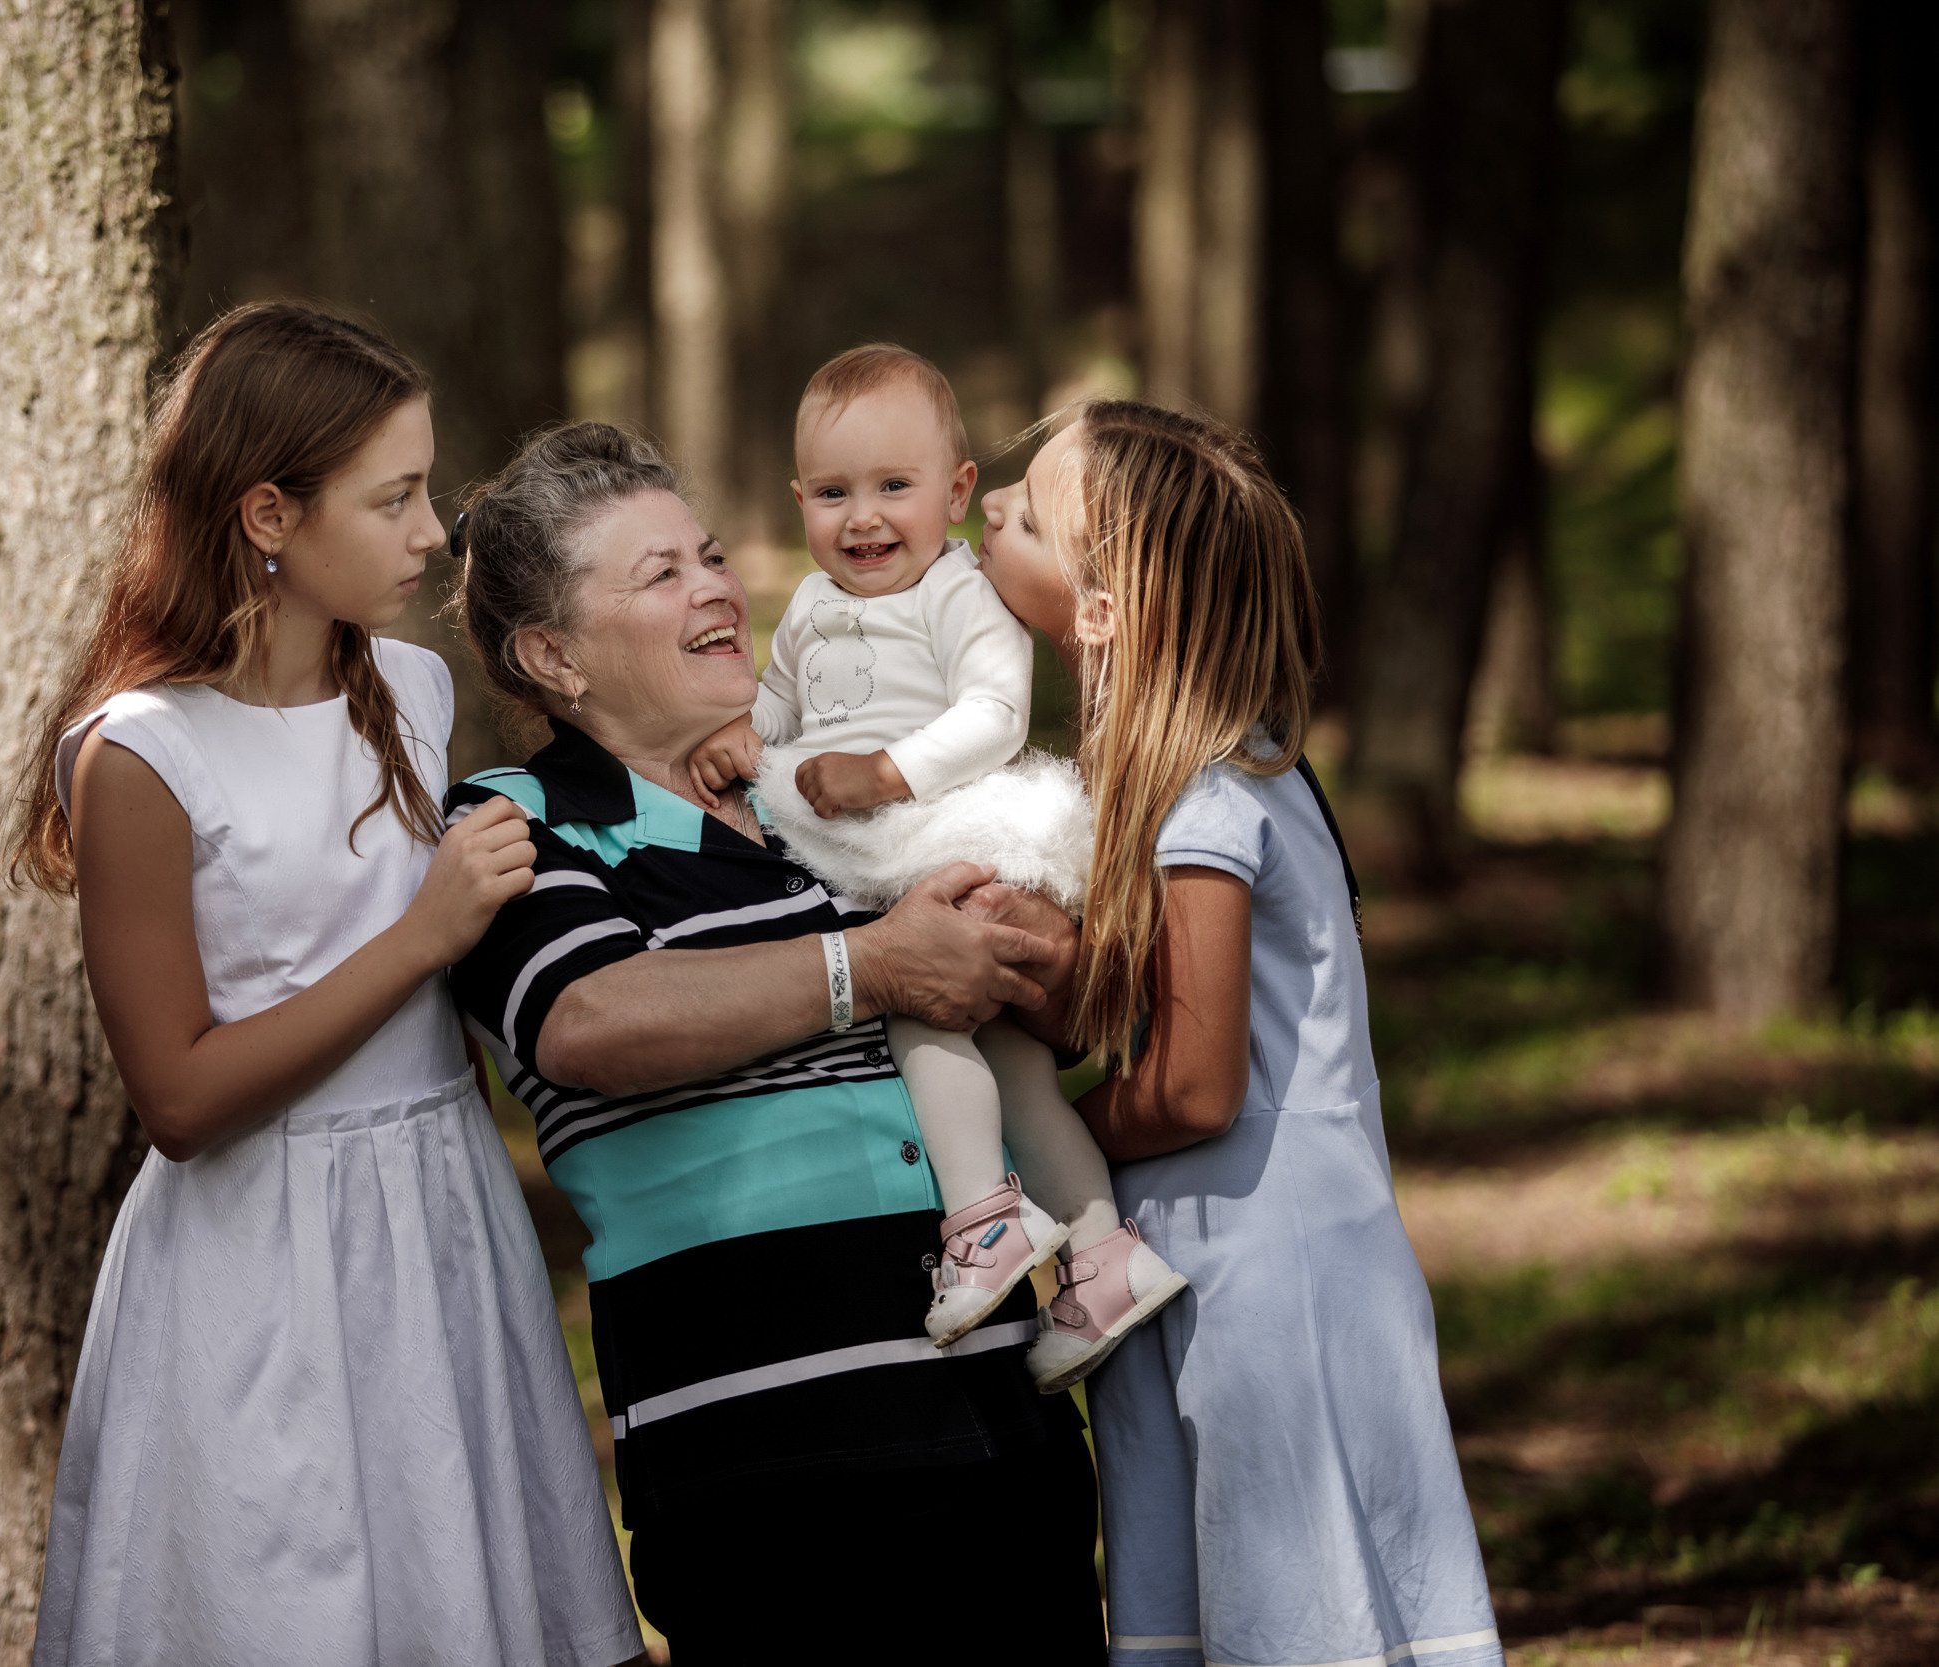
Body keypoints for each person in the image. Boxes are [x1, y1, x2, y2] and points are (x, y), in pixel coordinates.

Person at [12, 304, 642, 1667]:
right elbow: (178, 1096)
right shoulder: (144, 753)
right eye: (395, 498)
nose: (432, 534)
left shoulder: (409, 689)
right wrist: (418, 937)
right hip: (260, 1260)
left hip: (438, 1221)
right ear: (268, 514)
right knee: (288, 1597)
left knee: (456, 1585)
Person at [443, 422, 1105, 1661]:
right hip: (770, 1462)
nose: (715, 587)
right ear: (552, 655)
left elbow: (1056, 1007)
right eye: (661, 575)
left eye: (708, 555)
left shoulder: (815, 791)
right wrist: (870, 965)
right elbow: (587, 1021)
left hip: (998, 1427)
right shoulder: (519, 821)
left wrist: (1042, 954)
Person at [976, 399, 1504, 1667]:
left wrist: (1049, 1151)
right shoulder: (1211, 778)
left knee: (1295, 1616)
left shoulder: (1203, 802)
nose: (987, 507)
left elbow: (1197, 1086)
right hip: (1199, 1261)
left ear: (1101, 610)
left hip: (1268, 1283)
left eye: (1025, 512)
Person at [688, 344, 1184, 1387]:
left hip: (949, 825)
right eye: (833, 493)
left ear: (956, 492)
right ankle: (1102, 1255)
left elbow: (997, 714)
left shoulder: (959, 591)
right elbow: (781, 703)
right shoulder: (815, 606)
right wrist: (746, 734)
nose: (862, 517)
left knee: (919, 1005)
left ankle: (984, 1225)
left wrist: (885, 770)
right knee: (1013, 1068)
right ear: (798, 502)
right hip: (878, 832)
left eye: (892, 487)